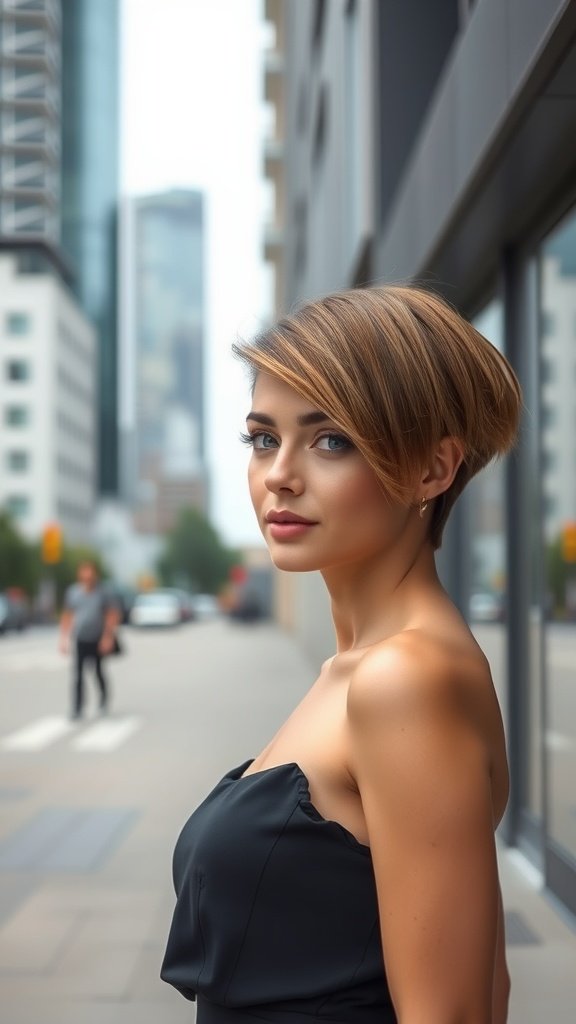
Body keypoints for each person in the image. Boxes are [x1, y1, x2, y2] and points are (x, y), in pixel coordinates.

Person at [161, 285, 522, 1024]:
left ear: (432, 470)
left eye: (332, 440)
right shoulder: (360, 667)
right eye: (264, 438)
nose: (280, 475)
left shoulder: (405, 679)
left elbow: (455, 1014)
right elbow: (492, 981)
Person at [59, 559, 121, 720]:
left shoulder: (103, 592)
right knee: (78, 674)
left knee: (98, 671)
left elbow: (112, 614)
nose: (87, 575)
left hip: (98, 638)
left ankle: (103, 700)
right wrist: (63, 638)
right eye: (83, 571)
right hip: (80, 638)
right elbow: (68, 615)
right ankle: (77, 708)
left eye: (89, 571)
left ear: (95, 574)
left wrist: (107, 637)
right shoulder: (73, 592)